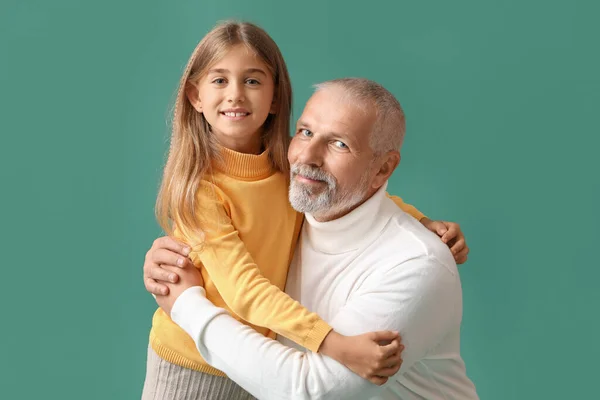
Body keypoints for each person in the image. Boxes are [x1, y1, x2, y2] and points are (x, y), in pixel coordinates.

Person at [142, 19, 469, 400]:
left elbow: (359, 194)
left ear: (275, 97)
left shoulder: (287, 170)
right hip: (193, 364)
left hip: (252, 360)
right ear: (195, 96)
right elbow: (244, 289)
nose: (235, 95)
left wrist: (423, 221)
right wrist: (334, 344)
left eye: (252, 81)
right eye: (219, 81)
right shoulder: (203, 190)